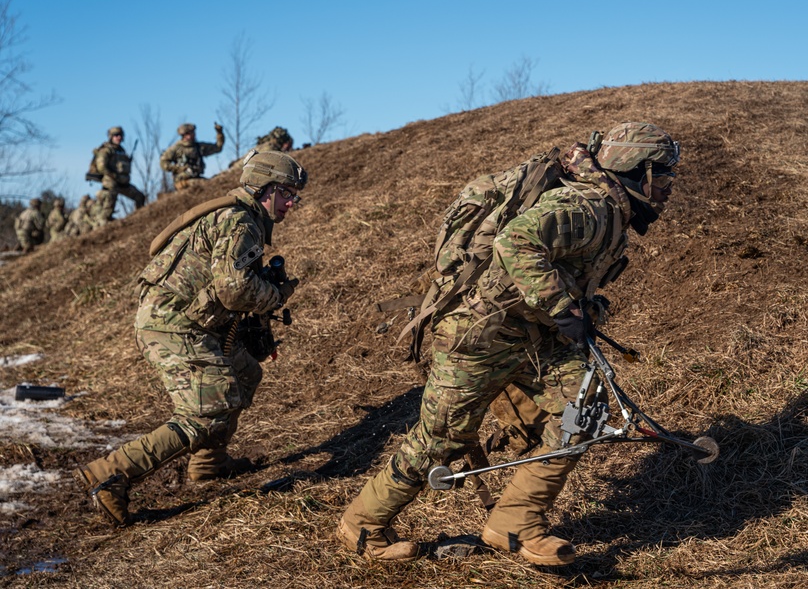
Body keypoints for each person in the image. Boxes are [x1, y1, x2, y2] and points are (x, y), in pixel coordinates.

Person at [337, 122, 680, 565]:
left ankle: (514, 523)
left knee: (586, 408)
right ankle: (361, 524)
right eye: (666, 176)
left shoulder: (611, 212)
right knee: (442, 438)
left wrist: (582, 310)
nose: (669, 189)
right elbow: (515, 241)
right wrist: (561, 307)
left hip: (534, 339)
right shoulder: (588, 206)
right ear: (640, 172)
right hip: (478, 336)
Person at [75, 150, 307, 526]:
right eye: (287, 193)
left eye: (294, 195)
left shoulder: (237, 215)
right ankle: (110, 474)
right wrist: (276, 296)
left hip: (191, 322)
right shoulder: (240, 222)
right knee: (206, 413)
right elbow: (234, 290)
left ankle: (209, 464)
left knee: (245, 373)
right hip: (173, 325)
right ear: (265, 187)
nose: (291, 203)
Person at [92, 126, 146, 225]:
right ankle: (102, 228)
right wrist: (114, 175)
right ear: (111, 137)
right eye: (116, 135)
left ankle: (140, 220)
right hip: (111, 183)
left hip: (123, 183)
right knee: (107, 211)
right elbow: (101, 167)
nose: (119, 137)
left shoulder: (121, 150)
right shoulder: (106, 150)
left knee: (139, 197)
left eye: (120, 135)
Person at [160, 122, 225, 190]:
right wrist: (178, 168)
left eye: (193, 132)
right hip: (183, 181)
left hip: (197, 177)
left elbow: (218, 148)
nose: (194, 134)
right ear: (185, 135)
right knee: (206, 185)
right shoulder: (176, 148)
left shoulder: (198, 147)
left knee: (214, 183)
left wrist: (219, 133)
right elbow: (163, 162)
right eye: (191, 133)